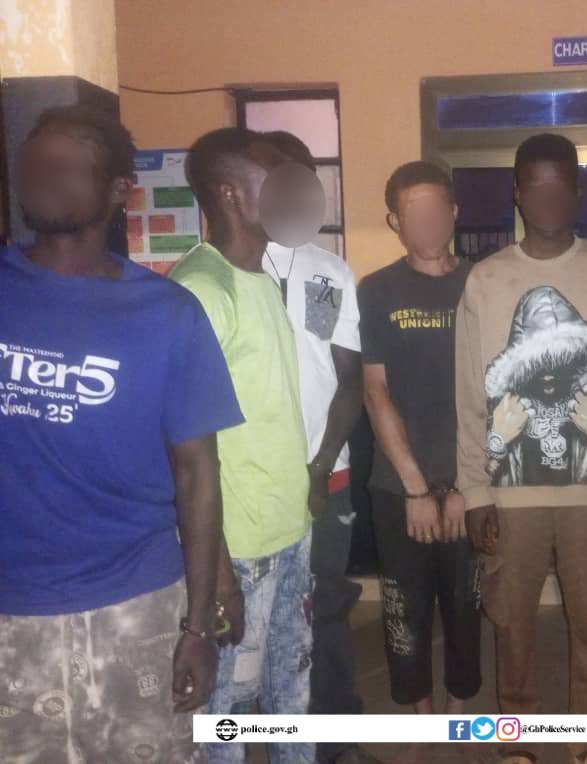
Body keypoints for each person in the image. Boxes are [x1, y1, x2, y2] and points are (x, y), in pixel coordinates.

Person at [0, 107, 243, 762]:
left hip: (137, 607)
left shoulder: (168, 314)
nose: (46, 174)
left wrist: (199, 625)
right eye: (36, 161)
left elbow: (198, 473)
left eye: (69, 164)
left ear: (117, 190)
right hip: (10, 614)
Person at [456, 134, 587, 764]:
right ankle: (519, 736)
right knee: (511, 622)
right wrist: (474, 490)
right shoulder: (485, 280)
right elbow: (469, 395)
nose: (549, 198)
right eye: (535, 186)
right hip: (509, 496)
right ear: (517, 193)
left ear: (577, 190)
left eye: (560, 185)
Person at [171, 127, 314, 764]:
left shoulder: (258, 277)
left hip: (288, 530)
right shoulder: (203, 290)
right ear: (231, 193)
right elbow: (181, 449)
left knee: (291, 699)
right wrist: (219, 573)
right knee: (225, 716)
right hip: (241, 550)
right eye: (276, 177)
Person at [359, 161, 481, 758]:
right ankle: (421, 717)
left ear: (454, 213)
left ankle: (459, 714)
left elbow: (498, 388)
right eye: (414, 213)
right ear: (395, 222)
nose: (428, 222)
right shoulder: (377, 290)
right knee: (404, 610)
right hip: (398, 485)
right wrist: (415, 487)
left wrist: (462, 484)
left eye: (437, 209)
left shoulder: (483, 283)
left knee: (465, 604)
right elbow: (375, 390)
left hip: (470, 482)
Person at [258, 131, 373, 764]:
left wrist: (321, 464)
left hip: (326, 475)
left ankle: (335, 741)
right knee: (255, 621)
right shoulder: (220, 268)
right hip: (249, 485)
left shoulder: (329, 272)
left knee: (325, 607)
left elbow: (348, 380)